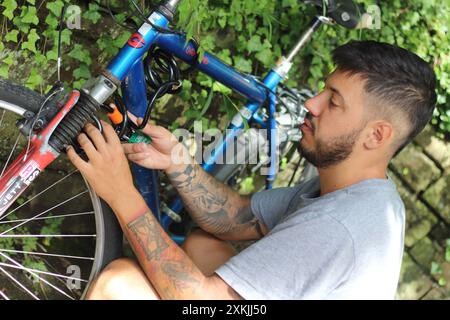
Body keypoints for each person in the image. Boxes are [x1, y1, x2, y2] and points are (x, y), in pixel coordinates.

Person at [66, 40, 437, 300]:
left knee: (118, 284)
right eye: (323, 90)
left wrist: (120, 192)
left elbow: (200, 298)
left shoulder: (338, 228)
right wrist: (177, 161)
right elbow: (238, 218)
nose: (311, 103)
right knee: (203, 245)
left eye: (333, 101)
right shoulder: (358, 191)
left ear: (376, 135)